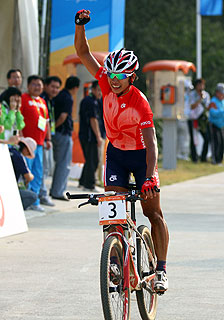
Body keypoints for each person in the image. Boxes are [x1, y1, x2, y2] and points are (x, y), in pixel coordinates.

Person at [74, 9, 169, 293]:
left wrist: (150, 177)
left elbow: (151, 144)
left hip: (141, 158)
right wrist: (80, 26)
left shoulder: (141, 104)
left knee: (153, 213)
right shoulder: (105, 83)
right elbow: (82, 52)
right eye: (112, 74)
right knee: (110, 211)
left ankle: (162, 270)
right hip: (115, 153)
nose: (114, 80)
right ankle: (115, 262)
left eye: (122, 75)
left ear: (132, 77)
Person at [21, 75, 51, 212]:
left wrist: (48, 139)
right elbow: (18, 119)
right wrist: (21, 138)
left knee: (38, 173)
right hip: (26, 145)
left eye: (39, 85)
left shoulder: (43, 102)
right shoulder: (23, 98)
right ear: (28, 86)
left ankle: (35, 200)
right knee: (27, 172)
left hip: (39, 144)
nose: (37, 87)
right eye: (34, 84)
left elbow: (46, 122)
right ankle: (25, 201)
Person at [50, 76, 80, 200]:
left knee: (58, 163)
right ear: (75, 88)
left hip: (56, 133)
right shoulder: (68, 97)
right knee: (64, 164)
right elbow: (63, 117)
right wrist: (55, 128)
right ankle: (58, 191)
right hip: (63, 133)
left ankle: (55, 190)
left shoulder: (59, 95)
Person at [39, 76, 62, 206]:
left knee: (46, 167)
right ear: (46, 86)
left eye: (57, 88)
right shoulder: (42, 99)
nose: (55, 90)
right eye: (52, 86)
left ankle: (41, 193)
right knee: (42, 168)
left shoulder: (50, 100)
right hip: (41, 139)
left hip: (47, 137)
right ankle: (41, 194)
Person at [79, 80, 103, 191]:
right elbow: (93, 120)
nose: (100, 92)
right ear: (92, 90)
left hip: (89, 135)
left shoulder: (97, 101)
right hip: (89, 136)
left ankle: (83, 181)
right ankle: (89, 185)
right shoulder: (90, 101)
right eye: (98, 90)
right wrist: (98, 136)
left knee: (90, 159)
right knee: (93, 160)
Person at [9, 137, 38, 210]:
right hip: (9, 190)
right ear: (26, 148)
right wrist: (32, 176)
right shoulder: (18, 157)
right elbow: (28, 177)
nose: (27, 154)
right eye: (28, 152)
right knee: (33, 196)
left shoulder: (10, 150)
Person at [188, 78, 210, 163]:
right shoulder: (192, 95)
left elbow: (207, 107)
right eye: (199, 85)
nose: (201, 86)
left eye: (202, 85)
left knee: (207, 138)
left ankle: (203, 157)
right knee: (193, 139)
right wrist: (199, 99)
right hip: (193, 118)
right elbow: (191, 106)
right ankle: (194, 158)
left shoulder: (206, 95)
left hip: (202, 119)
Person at [208, 83, 224, 164]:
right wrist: (222, 112)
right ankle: (215, 160)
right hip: (214, 125)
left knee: (221, 142)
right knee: (216, 142)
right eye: (221, 93)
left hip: (221, 125)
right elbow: (213, 113)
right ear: (217, 93)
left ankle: (220, 160)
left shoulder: (222, 101)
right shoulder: (213, 102)